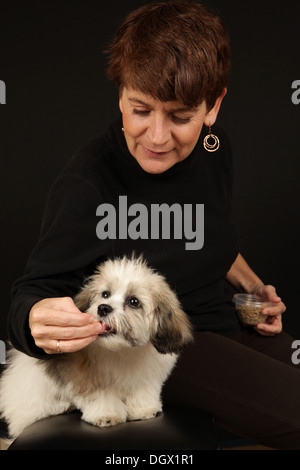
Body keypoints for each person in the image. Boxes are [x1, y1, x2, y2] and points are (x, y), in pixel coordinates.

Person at [6, 0, 300, 449]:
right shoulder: (87, 181)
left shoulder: (216, 151)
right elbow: (31, 292)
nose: (158, 137)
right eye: (140, 110)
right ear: (121, 94)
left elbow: (206, 233)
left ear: (213, 107)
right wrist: (33, 319)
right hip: (163, 345)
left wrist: (254, 286)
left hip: (227, 323)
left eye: (181, 117)